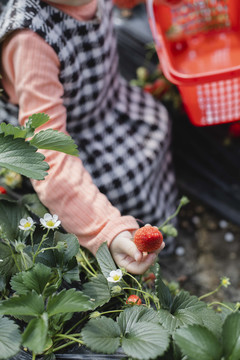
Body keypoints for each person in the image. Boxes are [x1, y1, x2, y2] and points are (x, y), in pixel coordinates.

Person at [0, 0, 178, 274]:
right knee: (124, 182)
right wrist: (106, 228)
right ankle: (131, 249)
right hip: (67, 137)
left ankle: (160, 231)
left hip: (104, 103)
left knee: (157, 124)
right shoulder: (30, 41)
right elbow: (48, 156)